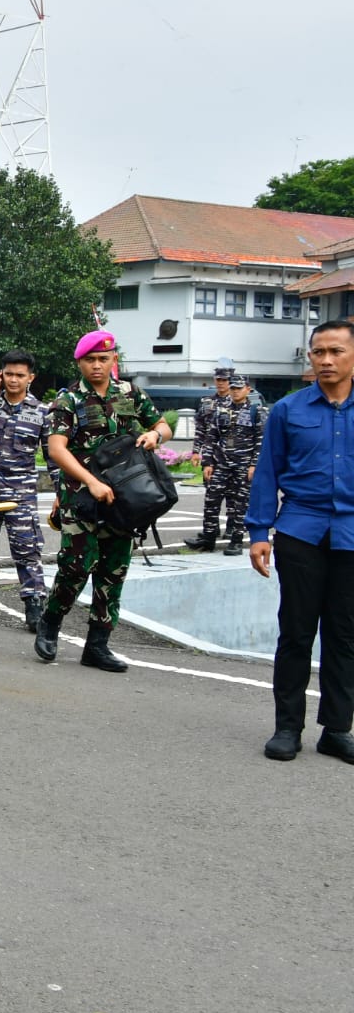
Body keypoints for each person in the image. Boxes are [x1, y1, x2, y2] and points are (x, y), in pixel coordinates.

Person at [248, 319, 354, 764]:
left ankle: (336, 729)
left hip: (351, 534)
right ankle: (287, 727)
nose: (326, 360)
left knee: (345, 635)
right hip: (300, 529)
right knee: (295, 632)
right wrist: (258, 532)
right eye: (318, 352)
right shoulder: (288, 410)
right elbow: (267, 472)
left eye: (336, 352)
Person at [33, 329, 171, 672]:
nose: (96, 366)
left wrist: (154, 434)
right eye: (90, 360)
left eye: (103, 359)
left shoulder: (130, 393)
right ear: (79, 362)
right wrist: (91, 482)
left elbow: (163, 425)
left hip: (123, 499)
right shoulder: (68, 401)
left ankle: (98, 645)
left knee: (113, 571)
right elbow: (56, 449)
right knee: (76, 566)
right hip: (81, 498)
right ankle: (50, 622)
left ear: (114, 360)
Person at [0, 349, 50, 631]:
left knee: (27, 552)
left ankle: (34, 604)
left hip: (20, 495)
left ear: (31, 377)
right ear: (1, 375)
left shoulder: (42, 413)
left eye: (19, 375)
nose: (13, 380)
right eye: (9, 374)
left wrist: (62, 496)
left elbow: (53, 457)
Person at [207, 373, 265, 556]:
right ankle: (208, 538)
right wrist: (207, 462)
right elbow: (211, 437)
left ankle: (236, 540)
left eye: (239, 388)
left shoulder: (257, 411)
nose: (235, 391)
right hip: (222, 463)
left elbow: (260, 441)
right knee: (212, 499)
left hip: (243, 465)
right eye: (232, 388)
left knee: (240, 504)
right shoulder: (220, 409)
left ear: (248, 389)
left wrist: (254, 465)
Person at [185, 361, 236, 551]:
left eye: (225, 380)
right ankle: (211, 529)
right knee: (212, 494)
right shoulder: (207, 402)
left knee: (233, 494)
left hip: (231, 456)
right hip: (209, 454)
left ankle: (232, 527)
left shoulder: (237, 403)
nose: (221, 383)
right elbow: (201, 430)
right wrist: (196, 451)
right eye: (218, 379)